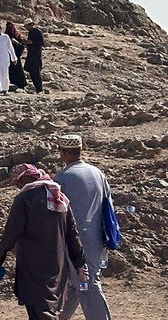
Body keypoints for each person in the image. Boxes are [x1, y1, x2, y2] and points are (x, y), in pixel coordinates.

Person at [0, 164, 86, 320]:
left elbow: (11, 233)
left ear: (26, 177)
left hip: (33, 267)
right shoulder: (60, 197)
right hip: (57, 266)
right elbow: (72, 233)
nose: (18, 185)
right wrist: (80, 263)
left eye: (19, 181)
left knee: (41, 311)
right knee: (47, 309)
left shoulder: (24, 199)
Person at [53, 135, 114, 320]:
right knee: (74, 282)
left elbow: (56, 211)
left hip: (75, 240)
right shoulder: (97, 173)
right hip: (97, 237)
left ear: (63, 153)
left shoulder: (62, 177)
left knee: (87, 284)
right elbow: (108, 205)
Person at [23, 20, 46, 94]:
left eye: (26, 26)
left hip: (36, 54)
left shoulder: (37, 31)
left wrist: (31, 42)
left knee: (35, 71)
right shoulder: (31, 32)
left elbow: (41, 42)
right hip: (31, 54)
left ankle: (39, 89)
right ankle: (37, 88)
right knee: (29, 68)